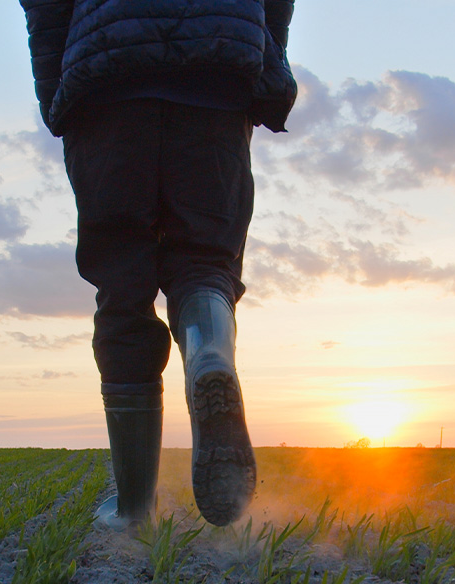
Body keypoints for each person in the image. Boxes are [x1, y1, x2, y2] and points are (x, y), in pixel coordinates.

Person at [18, 0, 297, 530]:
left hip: (107, 82)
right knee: (206, 261)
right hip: (217, 73)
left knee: (122, 285)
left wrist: (58, 91)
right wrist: (264, 59)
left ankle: (132, 510)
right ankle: (209, 356)